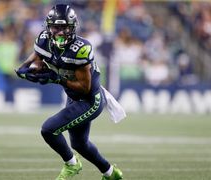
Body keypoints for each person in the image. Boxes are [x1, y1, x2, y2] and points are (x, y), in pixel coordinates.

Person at [15, 4, 124, 180]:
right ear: (48, 28)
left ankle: (72, 164)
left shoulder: (80, 49)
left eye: (64, 27)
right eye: (55, 27)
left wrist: (56, 78)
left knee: (48, 129)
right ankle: (111, 174)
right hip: (73, 98)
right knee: (80, 144)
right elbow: (36, 58)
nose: (59, 32)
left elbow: (84, 87)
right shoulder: (44, 40)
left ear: (73, 28)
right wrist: (24, 69)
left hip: (90, 100)